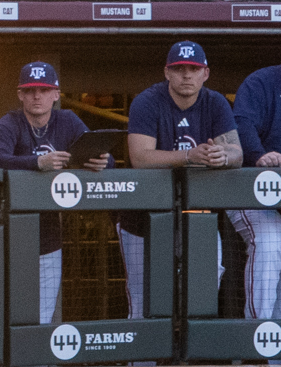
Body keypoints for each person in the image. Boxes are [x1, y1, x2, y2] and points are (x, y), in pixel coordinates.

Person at [119, 41, 239, 320]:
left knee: (207, 280)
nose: (187, 75)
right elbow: (140, 157)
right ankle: (143, 364)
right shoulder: (147, 101)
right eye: (179, 69)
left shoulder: (215, 102)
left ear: (205, 73)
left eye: (194, 69)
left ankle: (193, 360)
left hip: (197, 216)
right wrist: (189, 155)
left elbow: (237, 153)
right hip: (143, 218)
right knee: (142, 295)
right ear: (167, 72)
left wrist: (221, 155)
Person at [0, 60, 111, 325]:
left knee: (44, 311)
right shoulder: (10, 122)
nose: (36, 96)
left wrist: (102, 161)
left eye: (44, 90)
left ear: (56, 94)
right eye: (30, 90)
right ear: (20, 94)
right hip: (12, 227)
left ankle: (35, 365)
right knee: (10, 304)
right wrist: (36, 163)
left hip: (50, 228)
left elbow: (100, 152)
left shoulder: (67, 120)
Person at [230, 60, 281, 318]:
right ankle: (256, 340)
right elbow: (242, 124)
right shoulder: (261, 82)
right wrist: (259, 155)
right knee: (270, 242)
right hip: (253, 193)